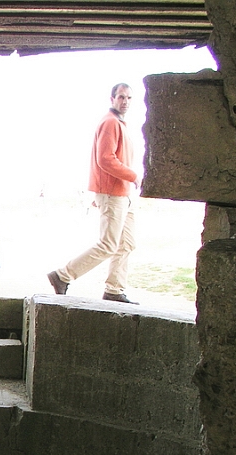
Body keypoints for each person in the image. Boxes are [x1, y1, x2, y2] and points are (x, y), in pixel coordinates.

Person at [47, 83, 139, 303]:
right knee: (108, 244)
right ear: (112, 99)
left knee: (126, 243)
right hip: (112, 192)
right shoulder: (109, 123)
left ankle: (114, 290)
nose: (125, 101)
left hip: (122, 193)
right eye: (121, 97)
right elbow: (105, 159)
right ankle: (62, 275)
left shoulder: (119, 123)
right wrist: (133, 176)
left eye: (128, 98)